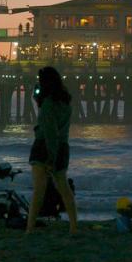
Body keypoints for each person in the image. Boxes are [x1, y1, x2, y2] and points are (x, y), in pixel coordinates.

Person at [25, 66, 79, 234]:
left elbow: (49, 132)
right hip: (63, 147)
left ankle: (30, 228)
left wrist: (51, 157)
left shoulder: (48, 104)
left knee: (38, 191)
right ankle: (73, 226)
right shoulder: (65, 103)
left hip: (44, 148)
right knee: (64, 189)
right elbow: (58, 132)